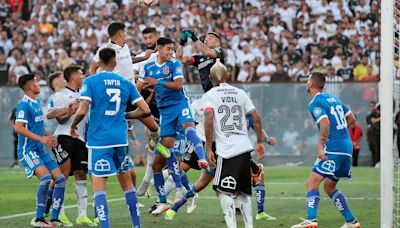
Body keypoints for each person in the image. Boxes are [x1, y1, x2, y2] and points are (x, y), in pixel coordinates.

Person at [70, 48, 155, 228]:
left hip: (99, 142)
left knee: (99, 188)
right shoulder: (126, 83)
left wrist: (73, 124)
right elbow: (145, 110)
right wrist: (127, 115)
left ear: (98, 63)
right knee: (127, 186)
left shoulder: (91, 81)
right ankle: (136, 225)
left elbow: (83, 109)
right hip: (120, 140)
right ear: (116, 63)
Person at [136, 37, 208, 215]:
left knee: (188, 126)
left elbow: (178, 85)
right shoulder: (147, 67)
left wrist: (157, 82)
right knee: (158, 164)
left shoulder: (175, 63)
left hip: (180, 104)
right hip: (165, 112)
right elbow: (138, 88)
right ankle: (167, 199)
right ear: (158, 49)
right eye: (168, 49)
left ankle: (202, 157)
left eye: (172, 49)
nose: (171, 52)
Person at [202, 59, 266, 228]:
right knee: (243, 192)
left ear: (210, 77)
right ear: (227, 75)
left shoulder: (209, 95)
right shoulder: (240, 93)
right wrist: (259, 141)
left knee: (222, 191)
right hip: (244, 148)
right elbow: (256, 117)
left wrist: (208, 148)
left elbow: (209, 121)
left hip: (226, 150)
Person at [291, 72, 360, 228]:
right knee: (329, 187)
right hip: (347, 147)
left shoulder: (315, 103)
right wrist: (340, 133)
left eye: (307, 80)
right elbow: (352, 120)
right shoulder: (334, 98)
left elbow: (325, 123)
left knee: (312, 183)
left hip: (334, 148)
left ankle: (311, 221)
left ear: (310, 84)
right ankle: (351, 221)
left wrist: (321, 145)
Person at [14, 73, 66, 227]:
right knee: (46, 178)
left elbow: (37, 127)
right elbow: (18, 128)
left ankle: (54, 218)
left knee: (61, 180)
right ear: (30, 86)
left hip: (39, 149)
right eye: (36, 82)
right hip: (27, 150)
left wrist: (49, 136)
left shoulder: (35, 103)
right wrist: (42, 139)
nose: (38, 84)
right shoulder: (24, 104)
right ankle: (38, 219)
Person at [49, 65, 95, 226]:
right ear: (74, 76)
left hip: (81, 139)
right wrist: (69, 111)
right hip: (64, 136)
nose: (83, 76)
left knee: (81, 173)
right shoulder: (61, 95)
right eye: (81, 74)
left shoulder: (86, 93)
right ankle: (59, 213)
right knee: (63, 174)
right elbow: (56, 118)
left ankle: (82, 214)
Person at [366, 101, 380, 167]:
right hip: (372, 135)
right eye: (371, 106)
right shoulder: (370, 116)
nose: (372, 107)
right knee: (374, 149)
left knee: (379, 149)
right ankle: (375, 163)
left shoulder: (378, 114)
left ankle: (378, 162)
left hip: (379, 135)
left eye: (373, 106)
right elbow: (373, 121)